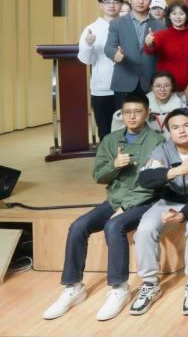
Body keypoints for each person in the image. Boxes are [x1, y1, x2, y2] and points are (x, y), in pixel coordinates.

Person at [43, 93, 163, 321]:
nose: (132, 116)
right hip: (113, 200)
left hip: (143, 201)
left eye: (138, 112)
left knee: (113, 226)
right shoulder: (111, 139)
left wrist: (126, 206)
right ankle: (73, 287)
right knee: (78, 226)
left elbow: (154, 182)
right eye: (127, 112)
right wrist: (114, 165)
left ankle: (119, 288)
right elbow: (98, 175)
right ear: (121, 114)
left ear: (147, 113)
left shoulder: (156, 141)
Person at [132, 108, 188, 315]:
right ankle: (150, 283)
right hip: (169, 201)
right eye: (175, 127)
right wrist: (177, 171)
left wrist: (183, 215)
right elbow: (144, 179)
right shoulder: (162, 150)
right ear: (169, 132)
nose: (181, 131)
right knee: (145, 229)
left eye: (186, 125)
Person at [104, 0, 165, 104]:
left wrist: (152, 46)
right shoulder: (117, 23)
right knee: (123, 115)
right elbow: (109, 47)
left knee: (150, 115)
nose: (141, 2)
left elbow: (164, 53)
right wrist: (115, 54)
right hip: (124, 79)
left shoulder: (160, 25)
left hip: (150, 82)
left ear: (150, 1)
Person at [79, 0, 124, 141]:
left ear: (121, 4)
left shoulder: (127, 26)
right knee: (105, 130)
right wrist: (88, 44)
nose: (112, 5)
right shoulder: (92, 29)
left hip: (125, 86)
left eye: (116, 2)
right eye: (107, 2)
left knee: (126, 128)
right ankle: (106, 156)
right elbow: (86, 60)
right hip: (102, 87)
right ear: (100, 5)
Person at [143, 1, 188, 97]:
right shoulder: (162, 35)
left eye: (181, 13)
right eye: (174, 13)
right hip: (165, 89)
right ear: (169, 16)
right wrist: (149, 44)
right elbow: (150, 50)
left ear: (187, 16)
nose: (178, 17)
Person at [136, 71, 188, 135]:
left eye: (167, 86)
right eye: (158, 86)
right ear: (152, 87)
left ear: (172, 87)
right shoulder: (141, 107)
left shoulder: (182, 108)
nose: (162, 89)